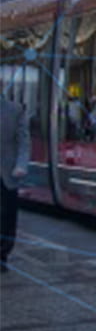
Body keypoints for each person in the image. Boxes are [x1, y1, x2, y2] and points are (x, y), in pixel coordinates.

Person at [1, 88, 29, 273]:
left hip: (7, 173)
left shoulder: (15, 109)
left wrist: (21, 165)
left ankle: (2, 254)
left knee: (7, 217)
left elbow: (23, 141)